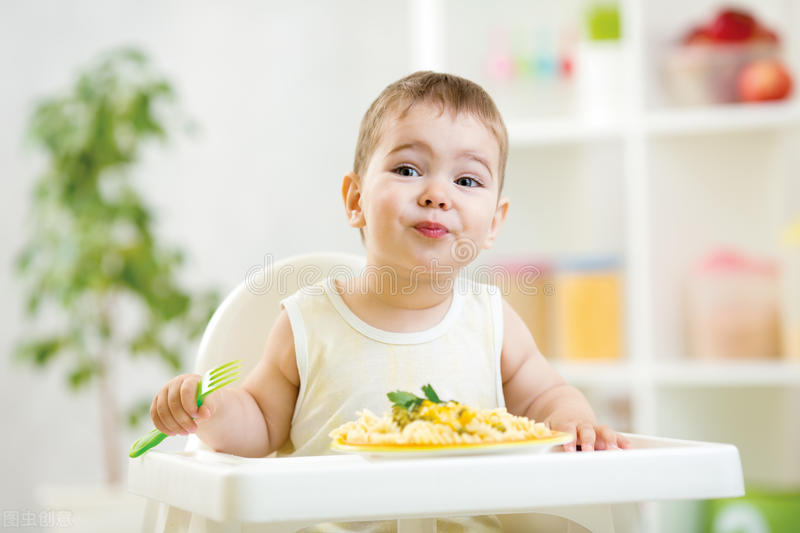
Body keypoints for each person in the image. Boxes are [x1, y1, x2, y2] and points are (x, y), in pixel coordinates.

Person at [149, 71, 631, 532]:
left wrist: (574, 424)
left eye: (467, 181)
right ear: (355, 199)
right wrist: (209, 411)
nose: (437, 194)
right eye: (407, 169)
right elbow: (258, 421)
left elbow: (547, 396)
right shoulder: (309, 322)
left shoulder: (491, 321)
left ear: (494, 223)